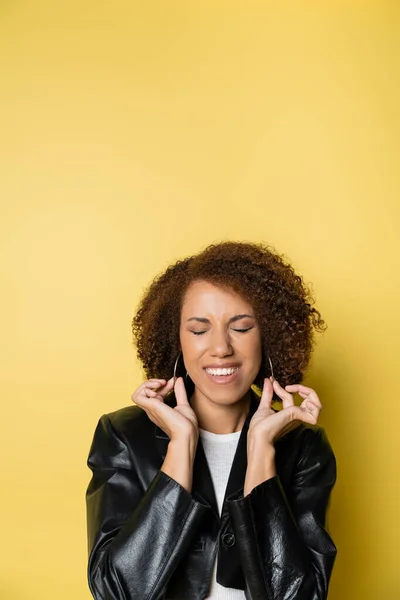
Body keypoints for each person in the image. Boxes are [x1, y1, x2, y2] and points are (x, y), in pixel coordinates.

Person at [85, 240, 337, 600]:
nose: (220, 347)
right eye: (199, 330)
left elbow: (298, 596)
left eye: (242, 327)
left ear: (269, 337)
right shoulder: (124, 435)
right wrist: (180, 446)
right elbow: (117, 592)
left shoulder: (304, 448)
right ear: (177, 341)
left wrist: (262, 452)